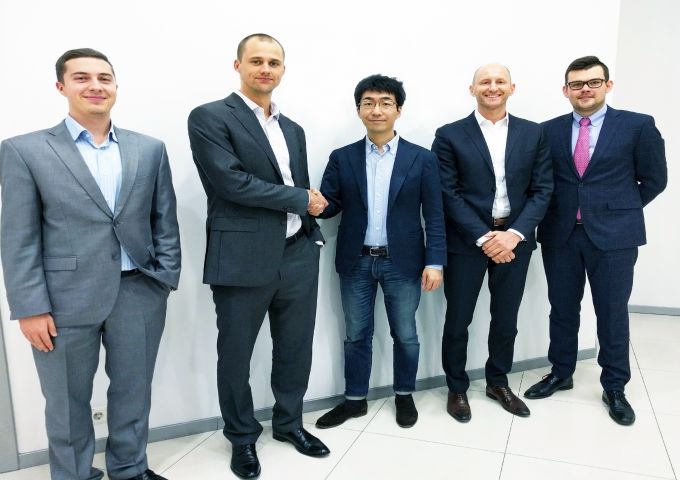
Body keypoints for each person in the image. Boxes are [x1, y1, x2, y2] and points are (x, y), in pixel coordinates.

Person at [0, 48, 180, 480]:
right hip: (62, 300)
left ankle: (130, 468)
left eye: (104, 77)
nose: (95, 86)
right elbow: (19, 236)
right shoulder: (25, 150)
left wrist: (164, 278)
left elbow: (164, 219)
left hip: (138, 291)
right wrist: (29, 307)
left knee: (133, 391)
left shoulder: (149, 149)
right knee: (65, 399)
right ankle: (74, 474)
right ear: (61, 87)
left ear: (116, 86)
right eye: (81, 78)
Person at [187, 33, 329, 479]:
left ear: (283, 70)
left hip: (298, 253)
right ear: (238, 66)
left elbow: (295, 184)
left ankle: (289, 424)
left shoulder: (293, 128)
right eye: (256, 61)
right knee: (235, 355)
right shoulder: (210, 117)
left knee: (295, 348)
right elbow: (231, 183)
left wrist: (310, 223)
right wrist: (302, 199)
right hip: (241, 256)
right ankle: (242, 437)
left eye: (273, 62)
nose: (265, 69)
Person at [523, 56, 667, 426]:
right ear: (565, 90)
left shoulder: (637, 125)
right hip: (561, 235)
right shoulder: (547, 131)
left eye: (593, 82)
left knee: (612, 312)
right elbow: (542, 182)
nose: (585, 89)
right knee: (562, 309)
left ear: (607, 85)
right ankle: (561, 372)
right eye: (577, 84)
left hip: (615, 237)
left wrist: (616, 210)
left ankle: (614, 386)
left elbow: (655, 179)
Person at [314, 74, 446, 430]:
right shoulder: (343, 158)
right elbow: (331, 205)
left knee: (405, 334)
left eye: (385, 103)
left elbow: (434, 215)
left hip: (403, 262)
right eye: (368, 103)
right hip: (355, 260)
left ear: (398, 110)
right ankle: (355, 400)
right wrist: (314, 203)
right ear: (358, 110)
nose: (376, 110)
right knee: (356, 334)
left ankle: (404, 394)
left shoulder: (421, 158)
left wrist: (435, 262)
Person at [431, 64, 552, 422]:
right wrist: (485, 237)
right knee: (458, 319)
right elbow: (447, 193)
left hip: (515, 240)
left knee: (506, 318)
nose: (493, 87)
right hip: (466, 241)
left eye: (500, 81)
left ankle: (498, 382)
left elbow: (543, 190)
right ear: (472, 89)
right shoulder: (449, 135)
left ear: (512, 88)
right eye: (485, 81)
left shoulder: (534, 133)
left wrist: (514, 234)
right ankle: (456, 387)